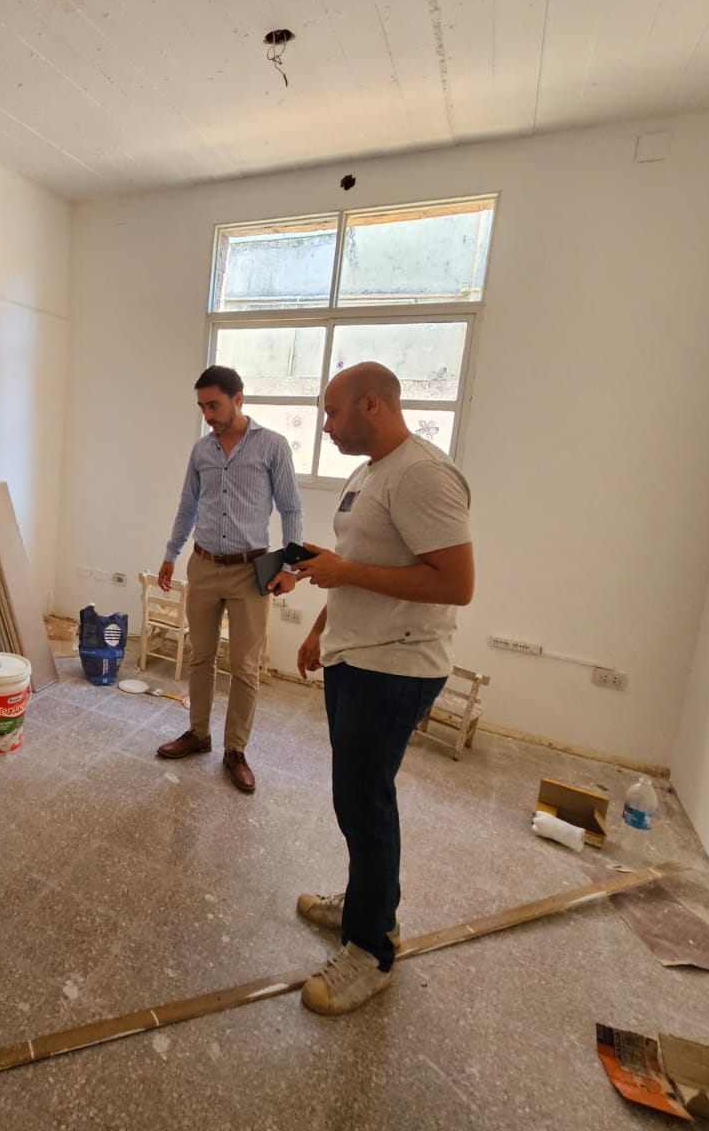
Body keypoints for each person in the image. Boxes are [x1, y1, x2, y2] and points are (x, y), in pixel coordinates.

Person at [291, 362, 474, 1014]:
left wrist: (345, 573)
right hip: (354, 655)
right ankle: (368, 903)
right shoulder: (368, 473)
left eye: (333, 412)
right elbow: (354, 565)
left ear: (372, 404)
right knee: (356, 799)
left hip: (396, 667)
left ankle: (371, 950)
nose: (326, 425)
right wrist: (320, 628)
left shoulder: (422, 474)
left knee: (365, 804)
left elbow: (456, 585)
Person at [157, 365, 304, 793]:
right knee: (201, 656)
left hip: (250, 570)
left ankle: (235, 750)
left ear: (238, 399)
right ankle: (198, 734)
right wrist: (170, 555)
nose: (207, 415)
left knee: (243, 666)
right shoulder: (201, 450)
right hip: (203, 565)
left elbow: (291, 509)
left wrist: (291, 567)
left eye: (214, 405)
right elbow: (187, 506)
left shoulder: (271, 445)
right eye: (202, 406)